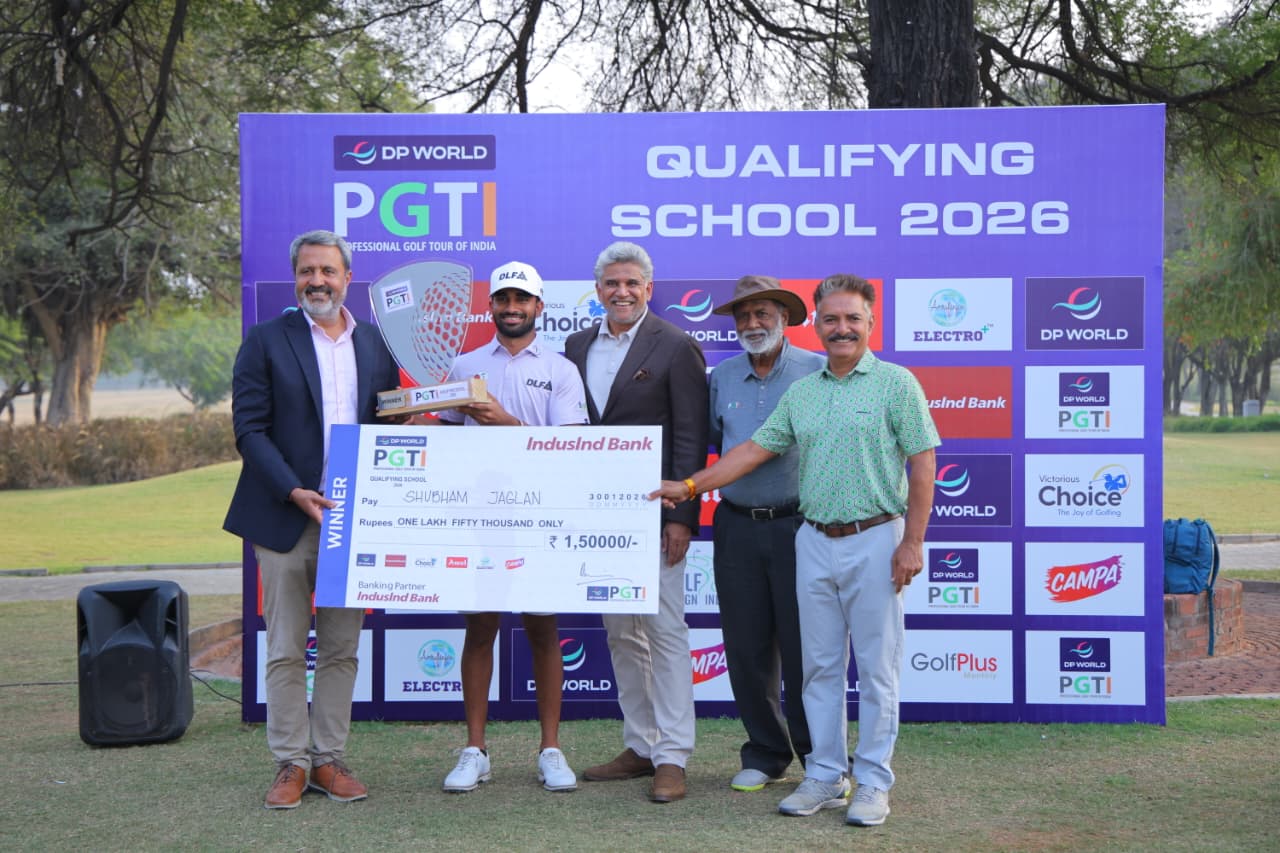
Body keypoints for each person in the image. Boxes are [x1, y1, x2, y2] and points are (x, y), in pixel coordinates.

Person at [650, 274, 940, 827]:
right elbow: (752, 451)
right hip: (814, 540)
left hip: (877, 538)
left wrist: (912, 542)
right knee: (819, 669)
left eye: (852, 319)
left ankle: (872, 781)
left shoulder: (896, 384)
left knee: (877, 671)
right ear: (819, 324)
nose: (841, 328)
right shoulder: (803, 392)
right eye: (831, 319)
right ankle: (825, 774)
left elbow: (923, 462)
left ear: (870, 323)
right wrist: (689, 487)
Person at [224, 230, 401, 810]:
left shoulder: (373, 342)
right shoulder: (265, 340)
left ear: (347, 277)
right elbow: (249, 430)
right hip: (285, 514)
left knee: (341, 646)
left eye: (327, 271)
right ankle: (291, 763)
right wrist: (294, 490)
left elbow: (385, 423)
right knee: (283, 647)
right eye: (306, 271)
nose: (317, 281)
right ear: (295, 278)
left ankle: (328, 759)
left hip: (353, 519)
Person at [434, 261, 589, 794]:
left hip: (539, 516)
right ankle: (475, 750)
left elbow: (571, 447)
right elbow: (446, 438)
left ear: (539, 306)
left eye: (522, 299)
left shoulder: (562, 369)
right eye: (503, 298)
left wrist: (507, 423)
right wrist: (415, 423)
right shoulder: (466, 364)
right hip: (479, 518)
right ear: (492, 306)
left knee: (543, 629)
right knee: (480, 628)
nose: (512, 307)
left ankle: (551, 749)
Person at [563, 241, 709, 803]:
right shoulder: (576, 345)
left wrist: (683, 517)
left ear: (648, 288)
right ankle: (641, 745)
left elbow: (692, 435)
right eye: (611, 283)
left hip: (657, 513)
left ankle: (673, 755)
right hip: (597, 514)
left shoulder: (676, 345)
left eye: (632, 283)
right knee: (621, 632)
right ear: (598, 290)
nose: (621, 292)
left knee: (664, 632)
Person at [706, 275, 823, 793]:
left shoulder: (817, 370)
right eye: (744, 316)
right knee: (746, 647)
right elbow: (716, 445)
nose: (752, 324)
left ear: (785, 318)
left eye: (763, 314)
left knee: (807, 650)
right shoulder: (722, 376)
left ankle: (821, 758)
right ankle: (766, 753)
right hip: (736, 525)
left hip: (800, 526)